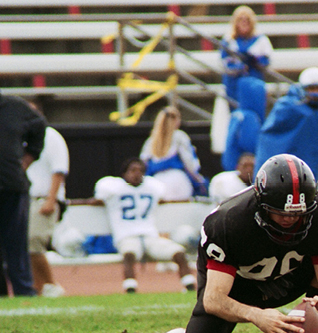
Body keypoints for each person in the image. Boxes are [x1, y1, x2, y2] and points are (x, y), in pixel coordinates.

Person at [130, 154, 318, 333]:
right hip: (236, 286)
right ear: (262, 205)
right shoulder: (230, 223)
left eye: (298, 213)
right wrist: (257, 315)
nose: (290, 219)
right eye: (281, 212)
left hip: (285, 277)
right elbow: (214, 299)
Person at [93, 158, 197, 294]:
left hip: (150, 235)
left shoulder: (152, 187)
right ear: (124, 173)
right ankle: (130, 289)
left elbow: (163, 199)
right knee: (129, 253)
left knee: (178, 252)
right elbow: (97, 200)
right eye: (133, 170)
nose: (136, 174)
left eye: (140, 171)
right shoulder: (112, 187)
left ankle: (190, 287)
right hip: (126, 236)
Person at [256, 67, 318, 199]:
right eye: (311, 88)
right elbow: (269, 141)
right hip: (287, 173)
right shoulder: (287, 107)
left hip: (313, 174)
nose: (315, 93)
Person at [0, 91, 47, 297]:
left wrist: (28, 158)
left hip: (12, 186)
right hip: (12, 183)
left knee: (16, 244)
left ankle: (24, 291)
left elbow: (39, 126)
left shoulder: (15, 107)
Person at [26, 109, 69, 297]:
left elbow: (59, 169)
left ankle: (51, 284)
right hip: (22, 198)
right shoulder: (19, 135)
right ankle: (38, 287)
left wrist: (51, 199)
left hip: (42, 197)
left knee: (33, 240)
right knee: (24, 247)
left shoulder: (51, 136)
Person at [140, 106, 208, 201]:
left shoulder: (151, 140)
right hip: (178, 180)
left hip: (156, 182)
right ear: (176, 120)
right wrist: (199, 181)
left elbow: (143, 164)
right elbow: (190, 163)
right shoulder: (180, 136)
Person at [221, 6, 274, 107]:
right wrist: (239, 67)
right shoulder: (228, 40)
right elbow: (224, 62)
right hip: (234, 84)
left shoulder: (261, 40)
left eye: (247, 20)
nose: (244, 23)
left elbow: (266, 61)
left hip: (254, 80)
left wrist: (255, 61)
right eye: (241, 20)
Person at [221, 76, 267, 171]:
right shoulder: (249, 117)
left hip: (232, 165)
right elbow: (251, 145)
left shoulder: (238, 114)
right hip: (242, 169)